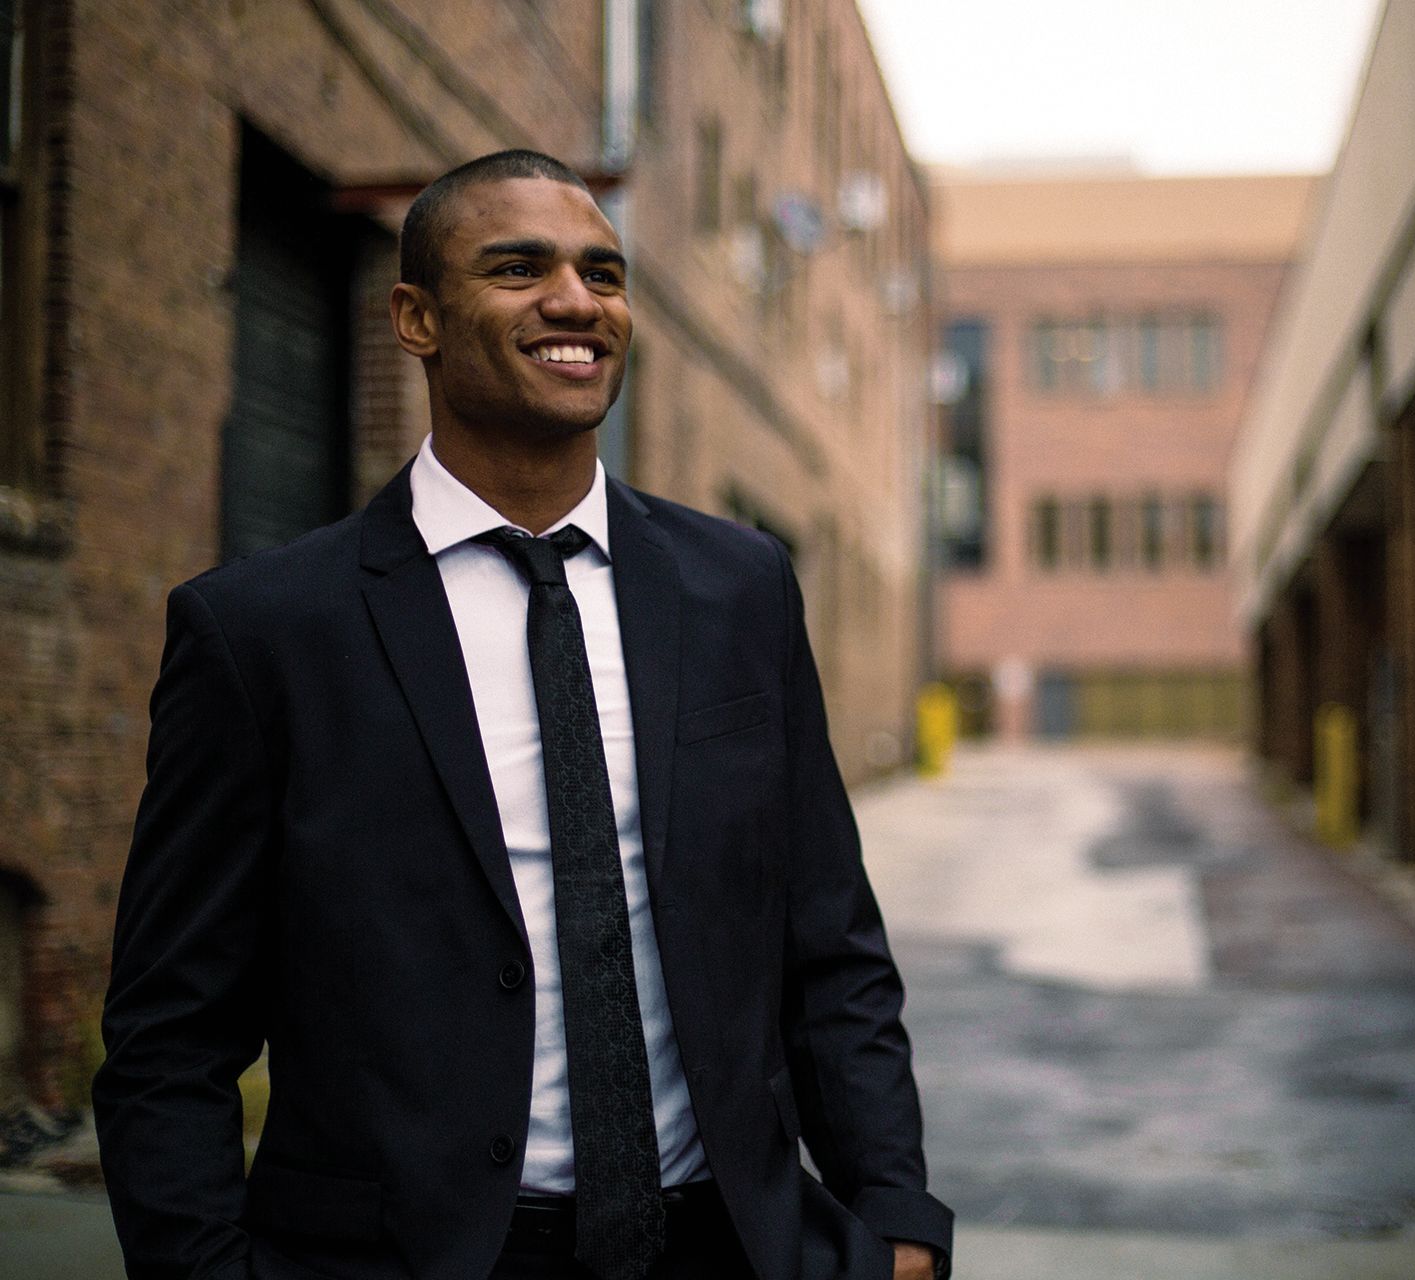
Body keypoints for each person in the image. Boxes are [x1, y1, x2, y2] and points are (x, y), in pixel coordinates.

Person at [93, 150, 951, 1280]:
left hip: (726, 1242)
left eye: (604, 271)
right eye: (517, 267)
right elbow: (171, 1028)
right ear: (417, 317)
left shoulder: (738, 588)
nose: (575, 301)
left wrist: (894, 1216)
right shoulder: (262, 631)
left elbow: (830, 941)